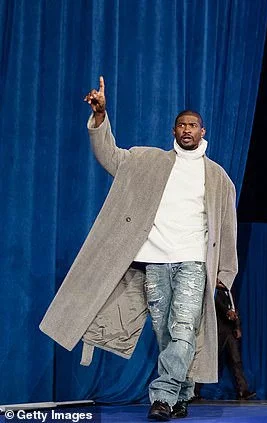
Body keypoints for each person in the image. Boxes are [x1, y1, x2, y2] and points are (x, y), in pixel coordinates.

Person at [39, 77, 238, 421]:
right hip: (155, 262)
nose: (187, 130)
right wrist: (101, 118)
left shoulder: (217, 177)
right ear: (173, 131)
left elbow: (227, 229)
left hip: (192, 261)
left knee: (183, 329)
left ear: (202, 131)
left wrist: (224, 273)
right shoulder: (148, 161)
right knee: (165, 333)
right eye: (181, 125)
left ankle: (161, 396)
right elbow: (110, 156)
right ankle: (182, 393)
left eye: (192, 125)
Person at [194, 282, 255, 401]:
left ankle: (243, 390)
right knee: (208, 361)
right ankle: (194, 391)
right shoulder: (214, 292)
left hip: (230, 332)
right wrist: (227, 313)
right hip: (217, 332)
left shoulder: (230, 292)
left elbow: (234, 310)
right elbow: (219, 306)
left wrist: (237, 327)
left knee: (236, 360)